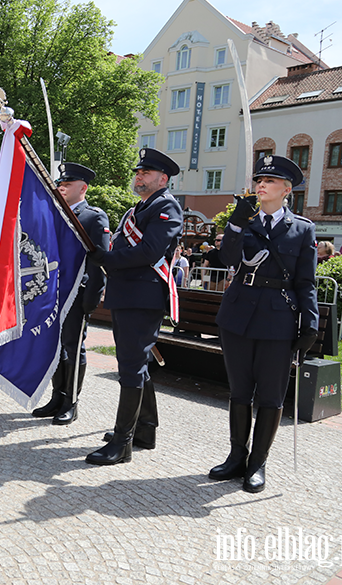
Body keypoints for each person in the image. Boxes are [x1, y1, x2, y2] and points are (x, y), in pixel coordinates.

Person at [209, 155, 318, 493]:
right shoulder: (244, 220)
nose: (261, 185)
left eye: (269, 182)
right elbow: (226, 259)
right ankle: (236, 456)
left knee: (270, 395)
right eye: (259, 180)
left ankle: (258, 463)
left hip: (277, 319)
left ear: (287, 190)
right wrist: (237, 224)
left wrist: (310, 322)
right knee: (240, 390)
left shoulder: (302, 229)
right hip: (238, 316)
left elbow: (306, 282)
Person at [86, 148, 183, 465]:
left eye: (146, 173)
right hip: (128, 294)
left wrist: (108, 260)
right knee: (134, 363)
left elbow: (149, 251)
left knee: (130, 367)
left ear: (162, 178)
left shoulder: (166, 206)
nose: (138, 176)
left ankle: (122, 442)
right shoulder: (136, 209)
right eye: (138, 172)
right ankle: (145, 429)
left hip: (144, 297)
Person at [31, 163, 110, 424]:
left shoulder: (94, 217)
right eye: (60, 183)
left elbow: (98, 261)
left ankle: (71, 402)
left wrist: (91, 298)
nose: (61, 187)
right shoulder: (55, 214)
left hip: (78, 292)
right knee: (55, 346)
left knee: (73, 347)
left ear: (83, 188)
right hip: (54, 291)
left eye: (68, 184)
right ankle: (57, 396)